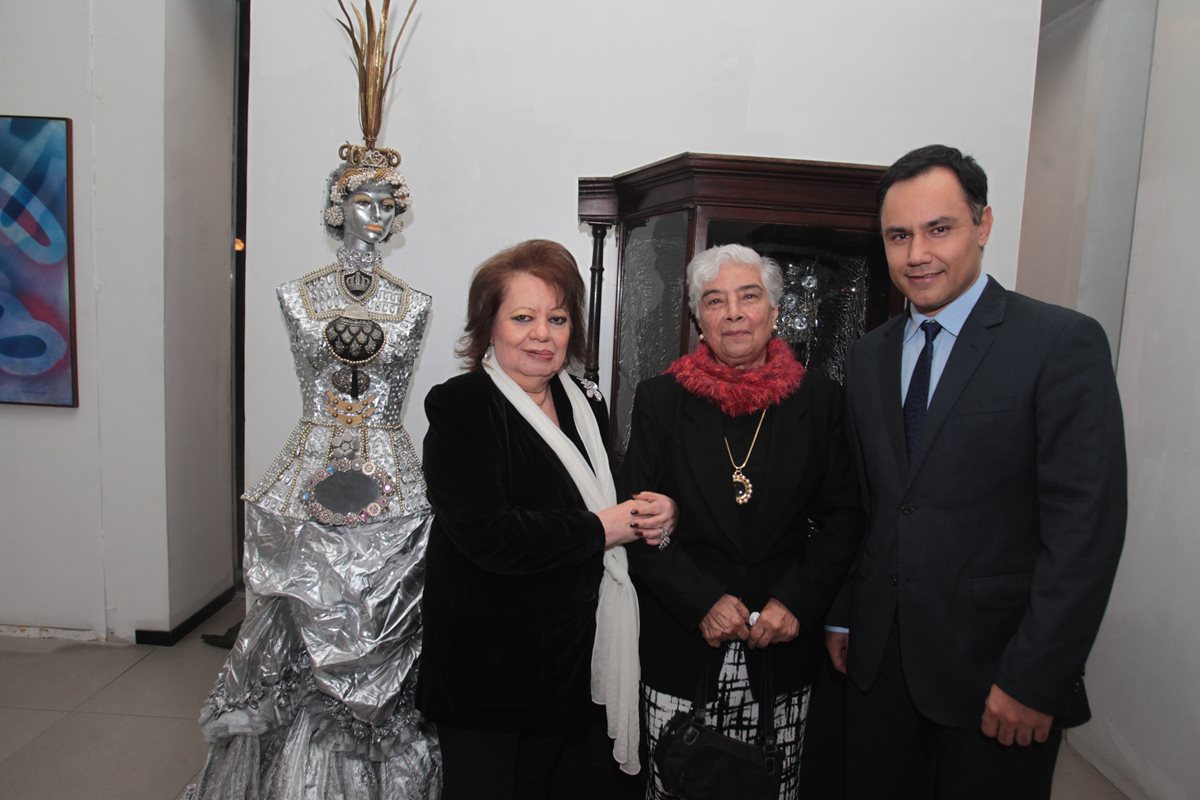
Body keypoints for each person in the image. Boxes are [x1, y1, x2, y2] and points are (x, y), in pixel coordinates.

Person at [185, 5, 439, 797]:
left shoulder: (414, 303)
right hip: (309, 469)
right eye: (365, 201)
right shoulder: (298, 296)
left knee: (379, 620)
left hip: (388, 473)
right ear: (337, 206)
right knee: (295, 622)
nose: (378, 215)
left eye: (390, 203)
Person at [825, 144, 1127, 799]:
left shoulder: (1059, 344)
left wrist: (1036, 677)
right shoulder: (869, 357)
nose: (917, 254)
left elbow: (1085, 532)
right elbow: (872, 505)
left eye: (939, 229)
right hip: (879, 669)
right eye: (898, 236)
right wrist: (846, 615)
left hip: (997, 675)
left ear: (983, 225)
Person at [417, 239, 677, 800]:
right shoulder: (461, 406)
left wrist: (657, 512)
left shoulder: (586, 400)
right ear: (489, 325)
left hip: (570, 664)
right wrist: (606, 528)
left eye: (557, 318)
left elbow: (605, 495)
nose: (542, 334)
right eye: (522, 317)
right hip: (486, 672)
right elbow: (491, 536)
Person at [622, 243, 865, 799]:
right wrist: (700, 601)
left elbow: (845, 517)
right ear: (698, 319)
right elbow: (635, 521)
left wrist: (796, 602)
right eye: (715, 300)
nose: (733, 312)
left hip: (778, 646)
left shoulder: (820, 400)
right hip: (684, 644)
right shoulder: (660, 400)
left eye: (748, 296)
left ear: (774, 312)